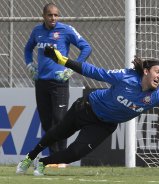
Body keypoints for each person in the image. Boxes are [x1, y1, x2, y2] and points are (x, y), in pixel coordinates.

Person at [16, 46, 159, 176]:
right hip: (86, 108)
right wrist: (61, 59)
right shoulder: (125, 77)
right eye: (157, 71)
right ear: (146, 71)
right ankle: (30, 157)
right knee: (57, 134)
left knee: (75, 153)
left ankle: (43, 163)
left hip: (104, 125)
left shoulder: (157, 96)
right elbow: (92, 71)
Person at [24, 3, 92, 168]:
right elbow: (27, 49)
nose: (53, 18)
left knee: (60, 120)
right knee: (47, 122)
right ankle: (54, 159)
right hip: (41, 82)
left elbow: (86, 48)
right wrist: (29, 65)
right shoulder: (37, 31)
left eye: (56, 15)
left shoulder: (66, 30)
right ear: (43, 16)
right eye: (50, 15)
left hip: (59, 83)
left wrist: (72, 68)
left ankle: (61, 159)